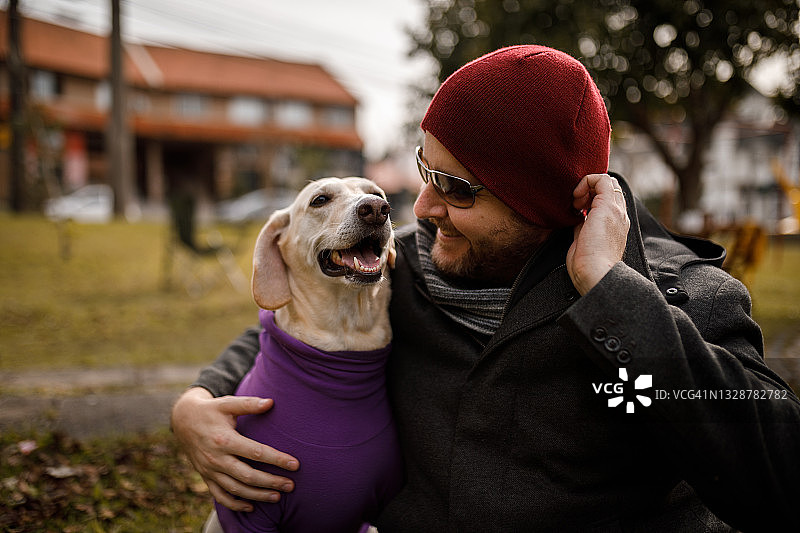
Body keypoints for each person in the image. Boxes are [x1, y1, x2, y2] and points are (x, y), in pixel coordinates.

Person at [171, 45, 800, 531]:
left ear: (545, 202)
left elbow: (777, 478)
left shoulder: (680, 298)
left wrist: (612, 294)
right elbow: (296, 324)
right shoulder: (406, 269)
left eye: (457, 189)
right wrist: (198, 402)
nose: (420, 208)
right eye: (426, 172)